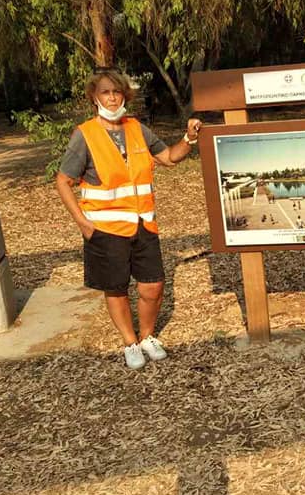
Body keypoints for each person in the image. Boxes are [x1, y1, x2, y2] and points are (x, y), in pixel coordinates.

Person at [55, 68, 202, 369]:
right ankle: (130, 342)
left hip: (143, 223)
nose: (112, 97)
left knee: (153, 285)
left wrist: (189, 138)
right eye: (105, 92)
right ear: (94, 97)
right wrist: (83, 223)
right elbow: (63, 181)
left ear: (125, 95)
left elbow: (169, 158)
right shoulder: (85, 135)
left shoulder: (137, 128)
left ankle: (147, 336)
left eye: (116, 91)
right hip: (106, 229)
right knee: (116, 287)